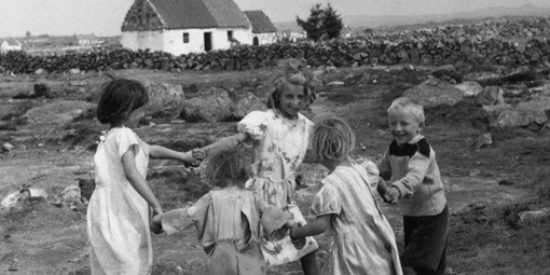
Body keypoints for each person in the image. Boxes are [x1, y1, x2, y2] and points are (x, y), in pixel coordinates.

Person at [193, 59, 319, 274]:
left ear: (309, 98)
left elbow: (322, 152)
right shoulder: (264, 120)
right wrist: (206, 151)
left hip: (285, 199)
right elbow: (237, 140)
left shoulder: (307, 126)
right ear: (277, 96)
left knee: (307, 246)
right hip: (257, 196)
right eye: (289, 96)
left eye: (301, 97)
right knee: (254, 252)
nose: (295, 102)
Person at [87, 78, 199, 275]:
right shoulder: (125, 135)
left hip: (104, 207)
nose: (144, 114)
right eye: (140, 110)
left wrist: (182, 156)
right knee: (130, 257)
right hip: (121, 207)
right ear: (125, 111)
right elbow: (131, 172)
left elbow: (150, 150)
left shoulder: (112, 135)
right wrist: (155, 205)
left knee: (114, 260)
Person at [289, 114, 402, 275]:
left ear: (321, 153)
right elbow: (376, 177)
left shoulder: (331, 187)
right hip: (377, 236)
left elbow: (321, 225)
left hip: (355, 250)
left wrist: (297, 232)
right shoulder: (360, 169)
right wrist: (384, 193)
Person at [150, 145, 291, 275]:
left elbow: (188, 214)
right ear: (246, 174)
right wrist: (288, 223)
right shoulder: (254, 198)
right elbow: (273, 216)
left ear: (216, 174)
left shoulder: (210, 199)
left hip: (221, 263)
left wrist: (159, 221)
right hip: (251, 263)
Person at [378, 97, 449, 275]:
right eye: (392, 123)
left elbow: (415, 176)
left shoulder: (421, 150)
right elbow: (384, 169)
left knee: (415, 263)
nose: (398, 129)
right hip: (411, 211)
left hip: (432, 212)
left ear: (420, 126)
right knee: (427, 256)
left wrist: (397, 188)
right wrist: (368, 175)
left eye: (404, 123)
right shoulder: (394, 146)